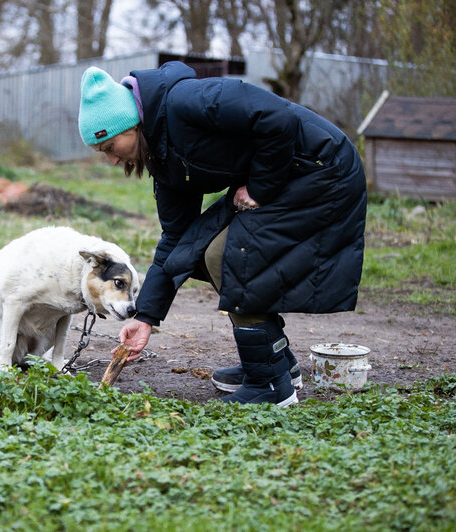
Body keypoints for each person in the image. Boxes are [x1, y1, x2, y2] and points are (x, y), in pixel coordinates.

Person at [77, 62, 367, 406]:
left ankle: (271, 386)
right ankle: (274, 362)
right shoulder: (162, 155)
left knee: (226, 254)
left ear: (130, 124)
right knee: (197, 251)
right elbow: (177, 239)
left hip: (321, 169)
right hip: (286, 176)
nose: (112, 160)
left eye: (110, 146)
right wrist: (146, 318)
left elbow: (277, 118)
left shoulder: (189, 100)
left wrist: (260, 187)